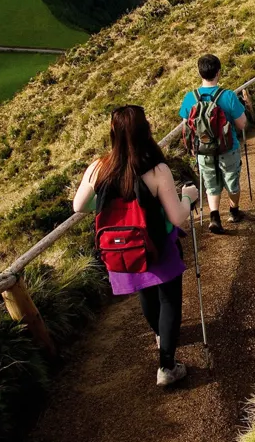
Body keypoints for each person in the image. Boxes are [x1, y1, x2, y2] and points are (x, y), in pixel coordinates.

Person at [73, 105, 200, 387]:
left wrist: (112, 208)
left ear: (113, 133)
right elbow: (178, 217)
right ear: (146, 130)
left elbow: (78, 205)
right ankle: (167, 366)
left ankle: (158, 336)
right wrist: (188, 197)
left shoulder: (98, 167)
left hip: (123, 248)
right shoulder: (156, 170)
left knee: (145, 290)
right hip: (158, 244)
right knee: (169, 300)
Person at [179, 54, 249, 235]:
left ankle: (215, 217)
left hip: (202, 150)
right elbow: (242, 125)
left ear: (199, 72)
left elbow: (186, 127)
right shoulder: (228, 96)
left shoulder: (190, 98)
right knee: (232, 181)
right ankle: (234, 211)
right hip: (228, 148)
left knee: (211, 184)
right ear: (219, 72)